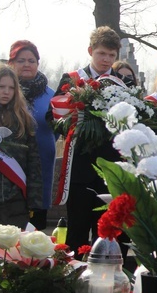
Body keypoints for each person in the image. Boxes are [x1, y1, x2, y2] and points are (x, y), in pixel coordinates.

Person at [51, 26, 131, 250]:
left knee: (106, 235)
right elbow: (53, 117)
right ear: (90, 51)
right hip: (79, 169)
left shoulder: (123, 84)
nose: (106, 60)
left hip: (110, 170)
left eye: (111, 55)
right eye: (101, 54)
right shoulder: (72, 79)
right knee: (76, 233)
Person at [7, 40, 54, 230]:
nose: (27, 64)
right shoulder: (4, 92)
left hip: (42, 166)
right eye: (21, 60)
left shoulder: (51, 95)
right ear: (11, 64)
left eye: (31, 60)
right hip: (10, 165)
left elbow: (56, 128)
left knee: (36, 229)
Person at [0, 65, 43, 228]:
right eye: (1, 87)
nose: (6, 91)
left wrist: (34, 201)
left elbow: (33, 162)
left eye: (11, 88)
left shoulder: (24, 121)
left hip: (15, 200)